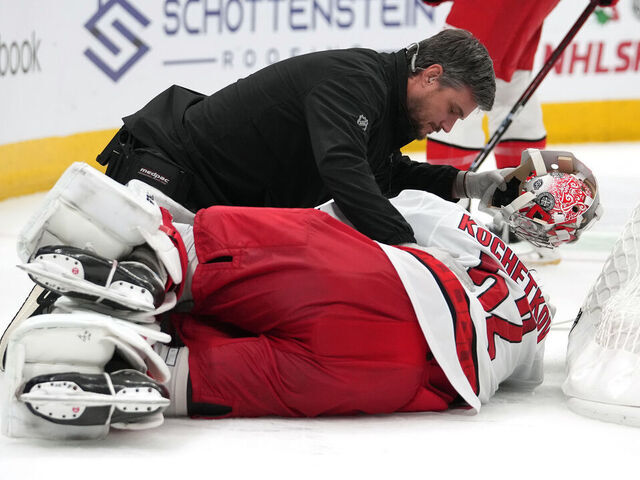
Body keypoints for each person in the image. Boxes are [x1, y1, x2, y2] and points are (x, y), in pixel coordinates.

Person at [1, 149, 601, 439]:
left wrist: (224, 242)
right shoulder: (541, 316)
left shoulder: (447, 218)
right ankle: (136, 372)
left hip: (389, 294)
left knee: (299, 247)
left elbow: (331, 220)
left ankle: (160, 267)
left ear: (531, 197)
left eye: (524, 176)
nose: (513, 174)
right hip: (400, 382)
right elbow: (525, 380)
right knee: (215, 380)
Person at [97, 29, 507, 246]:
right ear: (431, 75)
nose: (449, 127)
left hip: (203, 204)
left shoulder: (381, 95)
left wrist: (462, 183)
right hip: (163, 181)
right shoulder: (354, 82)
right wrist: (413, 249)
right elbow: (345, 170)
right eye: (452, 110)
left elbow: (380, 169)